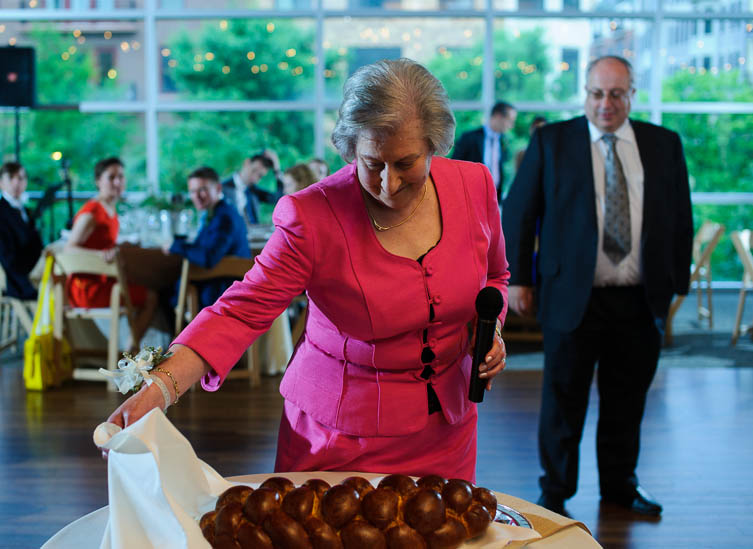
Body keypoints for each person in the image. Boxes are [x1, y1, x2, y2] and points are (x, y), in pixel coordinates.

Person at [103, 58, 510, 483]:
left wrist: (492, 331)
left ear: (434, 145)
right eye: (372, 163)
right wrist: (160, 389)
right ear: (351, 148)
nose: (389, 184)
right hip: (340, 438)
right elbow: (240, 310)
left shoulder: (474, 185)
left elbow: (495, 278)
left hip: (448, 429)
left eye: (406, 162)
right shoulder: (312, 216)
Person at [502, 56, 693, 517]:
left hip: (639, 298)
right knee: (563, 399)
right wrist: (519, 279)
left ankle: (621, 488)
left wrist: (676, 284)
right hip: (572, 298)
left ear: (631, 94)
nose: (605, 103)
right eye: (596, 93)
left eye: (616, 93)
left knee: (627, 401)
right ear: (584, 93)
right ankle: (555, 493)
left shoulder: (663, 144)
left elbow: (681, 216)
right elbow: (518, 213)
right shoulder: (551, 141)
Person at [65, 157, 158, 349]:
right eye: (111, 177)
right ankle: (130, 351)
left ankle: (133, 349)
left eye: (121, 177)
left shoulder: (110, 209)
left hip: (103, 281)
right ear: (98, 181)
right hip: (87, 288)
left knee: (148, 283)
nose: (117, 182)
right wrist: (100, 256)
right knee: (151, 296)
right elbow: (69, 249)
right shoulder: (92, 212)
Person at [164, 166, 251, 309]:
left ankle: (183, 331)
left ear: (217, 188)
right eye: (192, 191)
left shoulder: (224, 217)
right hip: (216, 285)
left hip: (222, 291)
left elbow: (208, 257)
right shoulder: (213, 213)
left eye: (202, 190)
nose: (196, 196)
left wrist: (175, 246)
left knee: (161, 293)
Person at [0, 162, 44, 300]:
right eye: (11, 178)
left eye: (21, 178)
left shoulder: (25, 211)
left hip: (33, 270)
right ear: (0, 183)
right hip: (18, 278)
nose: (16, 182)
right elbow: (5, 256)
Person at [451, 101, 517, 203]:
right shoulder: (469, 138)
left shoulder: (504, 141)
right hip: (470, 197)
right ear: (498, 116)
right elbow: (454, 167)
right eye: (510, 121)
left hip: (494, 198)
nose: (511, 126)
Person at [221, 150, 284, 224]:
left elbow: (279, 199)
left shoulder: (254, 191)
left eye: (260, 176)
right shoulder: (222, 188)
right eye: (254, 170)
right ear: (246, 163)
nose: (254, 178)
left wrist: (277, 169)